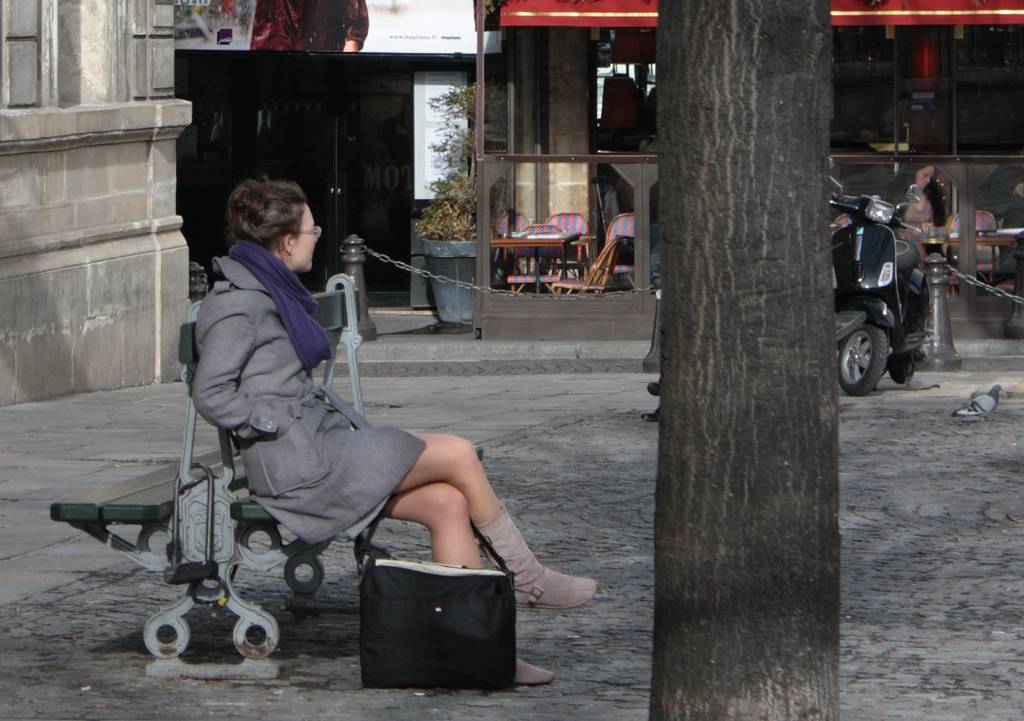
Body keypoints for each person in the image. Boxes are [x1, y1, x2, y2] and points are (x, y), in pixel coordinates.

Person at [192, 177, 597, 685]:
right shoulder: (239, 303)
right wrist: (278, 421)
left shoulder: (271, 288)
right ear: (287, 241)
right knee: (457, 453)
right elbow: (211, 394)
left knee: (449, 503)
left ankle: (479, 652)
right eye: (313, 229)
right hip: (301, 466)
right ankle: (528, 580)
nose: (319, 236)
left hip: (323, 447)